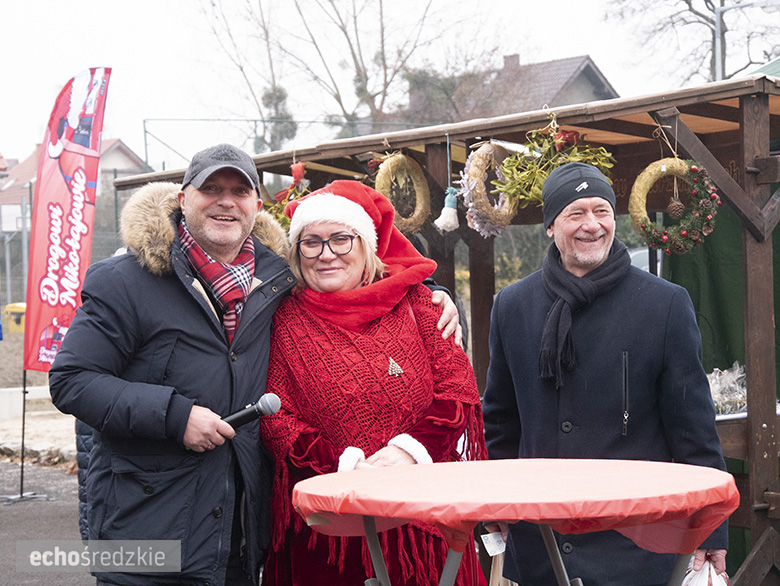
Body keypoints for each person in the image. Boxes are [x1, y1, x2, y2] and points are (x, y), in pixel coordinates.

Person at [48, 144, 461, 586]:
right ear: (183, 198)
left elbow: (363, 274)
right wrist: (175, 416)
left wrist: (435, 293)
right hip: (148, 529)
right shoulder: (125, 281)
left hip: (240, 533)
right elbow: (71, 380)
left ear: (256, 206)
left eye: (239, 191)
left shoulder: (276, 279)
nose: (226, 201)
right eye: (211, 188)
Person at [481, 162, 728, 586]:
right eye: (576, 213)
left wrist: (711, 527)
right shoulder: (513, 305)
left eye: (602, 211)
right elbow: (501, 421)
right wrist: (494, 505)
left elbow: (693, 428)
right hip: (541, 538)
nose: (592, 225)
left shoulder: (664, 304)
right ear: (550, 226)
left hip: (635, 543)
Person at [259, 180, 488, 586]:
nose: (326, 254)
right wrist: (343, 466)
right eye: (311, 242)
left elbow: (456, 392)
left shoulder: (419, 303)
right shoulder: (280, 320)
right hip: (329, 533)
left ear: (366, 246)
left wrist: (409, 451)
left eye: (341, 239)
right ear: (297, 252)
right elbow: (276, 417)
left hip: (424, 521)